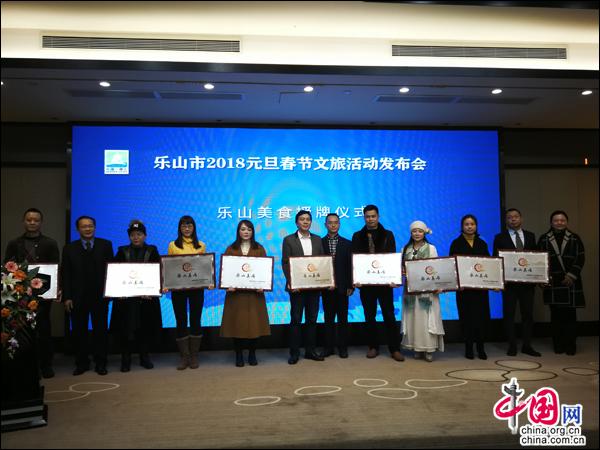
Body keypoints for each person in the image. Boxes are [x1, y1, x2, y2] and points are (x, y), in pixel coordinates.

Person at [4, 208, 60, 378]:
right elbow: (7, 268)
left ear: (41, 222)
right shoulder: (14, 243)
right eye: (29, 220)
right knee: (22, 329)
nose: (32, 223)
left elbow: (56, 268)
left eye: (36, 220)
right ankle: (26, 365)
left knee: (43, 329)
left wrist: (57, 288)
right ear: (24, 221)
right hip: (20, 295)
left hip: (43, 294)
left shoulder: (50, 243)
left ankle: (46, 365)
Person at [62, 216, 114, 375]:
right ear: (78, 229)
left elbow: (112, 270)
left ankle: (101, 363)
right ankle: (81, 363)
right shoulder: (69, 248)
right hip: (77, 297)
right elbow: (66, 274)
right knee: (79, 331)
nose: (87, 229)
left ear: (95, 227)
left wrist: (111, 292)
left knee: (100, 331)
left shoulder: (105, 245)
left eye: (90, 226)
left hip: (100, 296)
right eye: (84, 226)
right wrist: (67, 297)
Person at [351, 205, 404, 362]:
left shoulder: (388, 234)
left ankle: (394, 349)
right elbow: (354, 259)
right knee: (369, 316)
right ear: (364, 218)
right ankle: (373, 347)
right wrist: (355, 279)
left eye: (373, 216)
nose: (370, 219)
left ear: (378, 217)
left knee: (389, 315)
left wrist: (394, 278)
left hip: (384, 283)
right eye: (367, 216)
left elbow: (392, 258)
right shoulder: (357, 236)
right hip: (366, 284)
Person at [111, 220, 162, 372]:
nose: (136, 237)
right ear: (129, 236)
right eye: (133, 235)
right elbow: (115, 273)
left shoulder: (152, 251)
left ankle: (144, 357)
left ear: (145, 235)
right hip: (126, 300)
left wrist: (152, 290)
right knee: (126, 329)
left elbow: (158, 272)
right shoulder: (122, 251)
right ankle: (125, 358)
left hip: (146, 298)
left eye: (139, 234)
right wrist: (118, 292)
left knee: (145, 328)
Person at [220, 220, 271, 367]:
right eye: (243, 229)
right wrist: (227, 285)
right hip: (235, 295)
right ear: (238, 231)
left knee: (255, 324)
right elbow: (226, 271)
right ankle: (238, 354)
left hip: (255, 295)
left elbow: (265, 271)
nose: (246, 232)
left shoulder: (259, 248)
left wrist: (263, 285)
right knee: (236, 325)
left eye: (249, 229)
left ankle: (252, 353)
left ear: (253, 231)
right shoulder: (231, 248)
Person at [493, 208, 541, 357]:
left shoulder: (531, 236)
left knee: (528, 315)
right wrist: (497, 282)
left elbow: (536, 258)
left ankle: (527, 345)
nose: (513, 219)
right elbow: (495, 260)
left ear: (521, 218)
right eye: (509, 217)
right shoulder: (499, 237)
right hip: (509, 285)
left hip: (527, 284)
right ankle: (512, 345)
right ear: (506, 220)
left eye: (516, 216)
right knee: (509, 315)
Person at [537, 210, 585, 355]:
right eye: (556, 220)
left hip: (570, 282)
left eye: (562, 220)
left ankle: (571, 346)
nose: (559, 223)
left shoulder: (575, 238)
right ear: (551, 222)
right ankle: (558, 345)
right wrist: (543, 278)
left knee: (570, 317)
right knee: (556, 317)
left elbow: (581, 258)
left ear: (566, 222)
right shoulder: (544, 239)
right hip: (553, 283)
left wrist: (572, 275)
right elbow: (538, 261)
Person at [282, 210, 325, 364]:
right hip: (297, 288)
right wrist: (291, 282)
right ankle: (294, 353)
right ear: (296, 222)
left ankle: (310, 351)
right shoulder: (288, 240)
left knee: (312, 320)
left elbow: (322, 262)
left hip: (314, 287)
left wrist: (324, 281)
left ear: (311, 222)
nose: (305, 222)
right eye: (302, 219)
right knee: (296, 320)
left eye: (308, 219)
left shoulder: (318, 239)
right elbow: (285, 263)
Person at [167, 215, 208, 370]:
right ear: (179, 228)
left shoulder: (201, 245)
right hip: (178, 289)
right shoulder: (173, 245)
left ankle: (194, 355)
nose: (187, 228)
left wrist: (208, 282)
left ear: (194, 228)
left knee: (196, 320)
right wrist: (166, 283)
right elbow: (169, 267)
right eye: (184, 226)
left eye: (189, 226)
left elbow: (204, 268)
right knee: (181, 320)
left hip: (196, 289)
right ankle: (184, 356)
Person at [401, 221, 444, 362]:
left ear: (424, 232)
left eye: (420, 231)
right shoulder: (405, 249)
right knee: (412, 317)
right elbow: (401, 268)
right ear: (411, 233)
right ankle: (416, 347)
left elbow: (436, 268)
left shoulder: (431, 248)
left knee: (426, 318)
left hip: (427, 291)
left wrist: (438, 285)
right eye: (414, 231)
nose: (417, 234)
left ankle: (428, 348)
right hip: (410, 291)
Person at [449, 214, 490, 360]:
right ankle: (469, 348)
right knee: (466, 319)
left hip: (480, 289)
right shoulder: (456, 243)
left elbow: (489, 264)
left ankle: (481, 348)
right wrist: (457, 283)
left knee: (481, 319)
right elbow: (452, 265)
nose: (469, 226)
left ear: (476, 226)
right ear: (462, 226)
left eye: (472, 224)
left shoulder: (482, 243)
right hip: (464, 289)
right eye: (466, 224)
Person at [321, 213, 354, 358]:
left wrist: (351, 285)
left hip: (343, 288)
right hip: (326, 287)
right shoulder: (319, 243)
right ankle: (329, 347)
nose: (333, 225)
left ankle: (343, 348)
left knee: (343, 319)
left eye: (336, 222)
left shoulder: (347, 243)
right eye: (330, 222)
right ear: (325, 225)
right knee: (328, 319)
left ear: (339, 224)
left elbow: (351, 266)